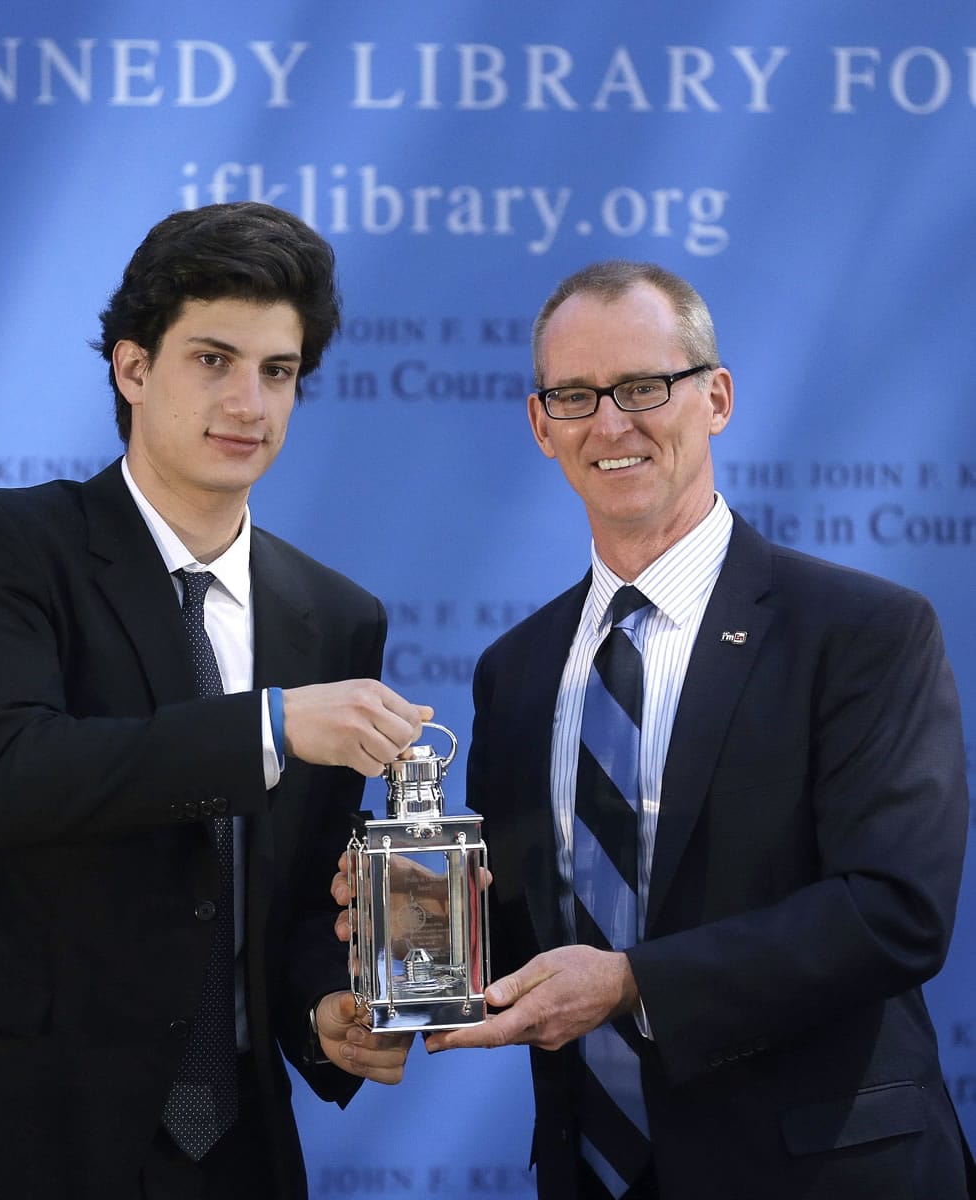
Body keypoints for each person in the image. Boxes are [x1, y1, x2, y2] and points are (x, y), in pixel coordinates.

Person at [0, 201, 430, 1200]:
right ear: (133, 368)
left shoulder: (335, 617)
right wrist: (270, 729)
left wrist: (324, 1009)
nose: (249, 401)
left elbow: (278, 901)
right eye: (212, 359)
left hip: (233, 1153)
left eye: (278, 372)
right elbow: (17, 780)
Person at [417, 261, 974, 1198]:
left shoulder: (864, 632)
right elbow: (526, 939)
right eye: (575, 395)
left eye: (643, 387)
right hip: (593, 1175)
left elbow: (894, 913)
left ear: (714, 397)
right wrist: (417, 924)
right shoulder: (514, 672)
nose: (610, 423)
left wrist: (634, 982)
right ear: (539, 422)